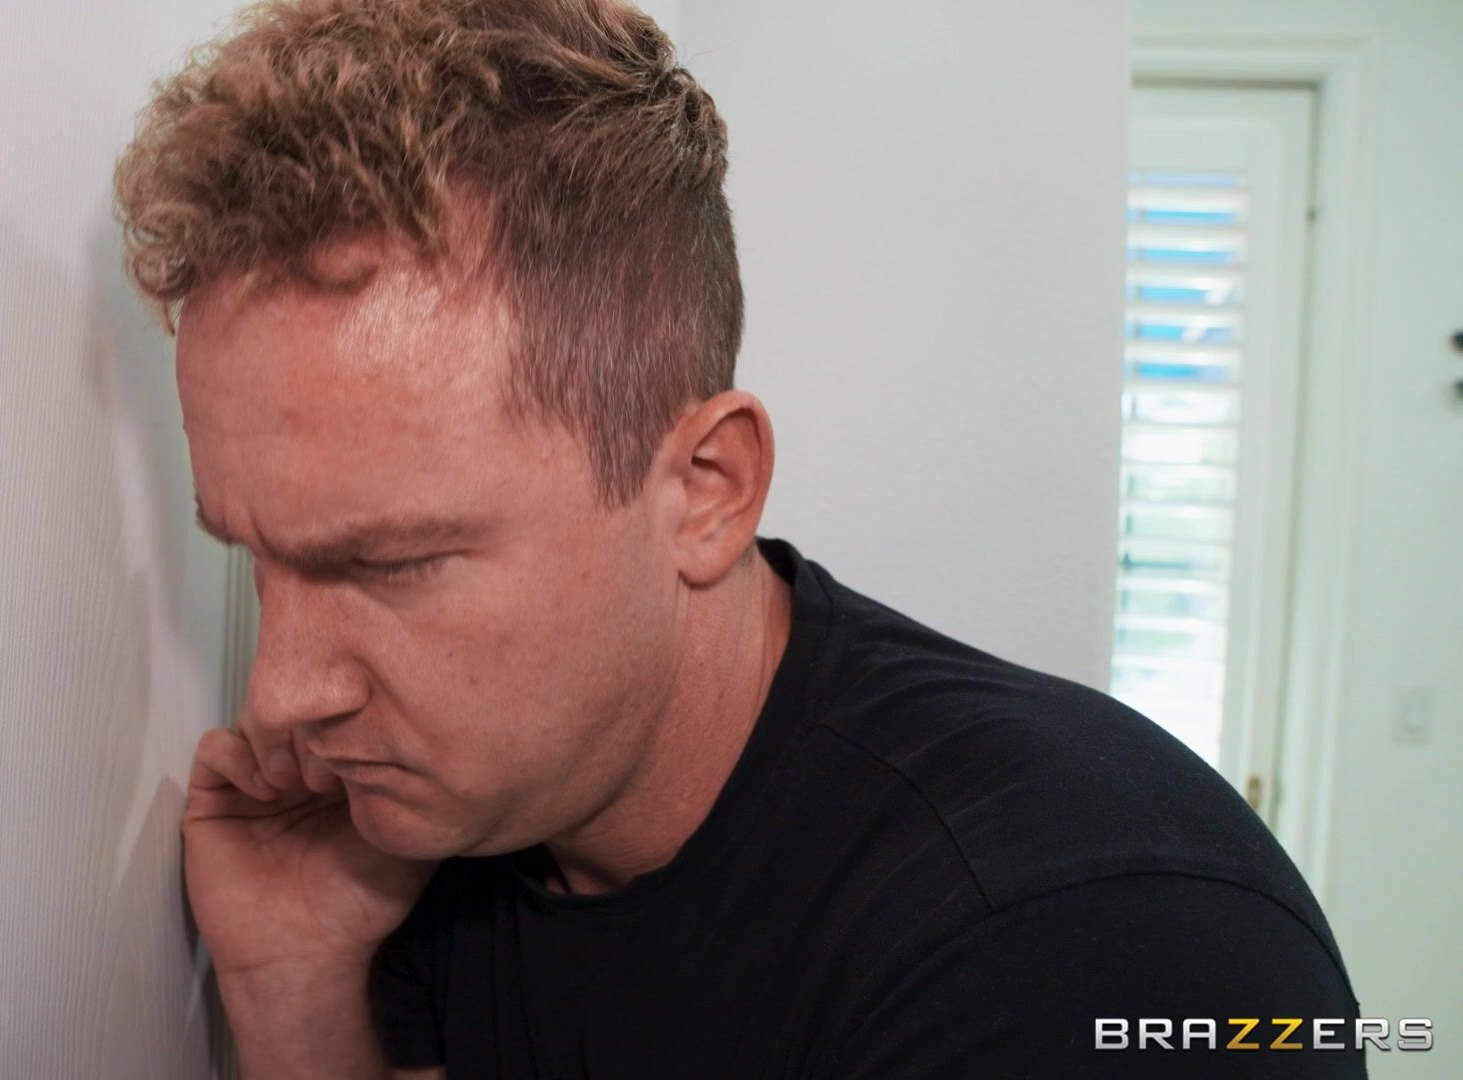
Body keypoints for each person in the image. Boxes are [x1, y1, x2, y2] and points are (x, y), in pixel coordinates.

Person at [112, 0, 1365, 1075]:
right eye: (254, 557)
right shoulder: (446, 828)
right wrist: (296, 982)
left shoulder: (1082, 943)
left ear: (707, 490)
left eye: (390, 563)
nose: (281, 699)